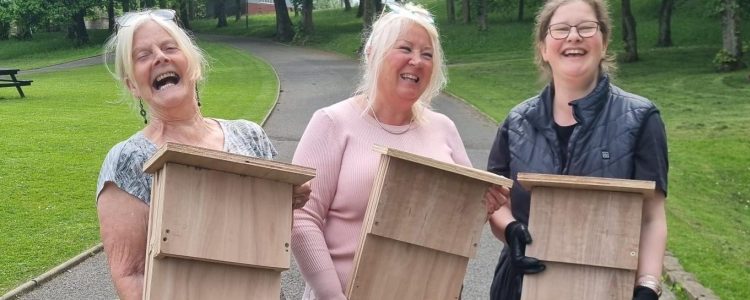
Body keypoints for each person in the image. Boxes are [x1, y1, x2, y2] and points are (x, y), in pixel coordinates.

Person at [290, 3, 508, 299]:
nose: (417, 61)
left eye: (427, 54)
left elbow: (458, 220)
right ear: (372, 53)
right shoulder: (332, 123)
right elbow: (303, 219)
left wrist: (483, 206)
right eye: (405, 48)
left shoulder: (444, 128)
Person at [95, 9, 310, 299]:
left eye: (170, 48)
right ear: (132, 85)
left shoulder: (249, 135)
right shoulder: (128, 160)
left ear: (193, 64)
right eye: (143, 55)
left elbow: (271, 242)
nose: (160, 57)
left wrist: (286, 200)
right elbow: (130, 274)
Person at [486, 0, 669, 299]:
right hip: (519, 287)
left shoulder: (641, 119)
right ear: (544, 48)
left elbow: (652, 217)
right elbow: (495, 201)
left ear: (604, 42)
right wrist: (510, 229)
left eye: (586, 27)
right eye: (560, 29)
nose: (574, 37)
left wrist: (647, 285)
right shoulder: (516, 121)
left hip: (605, 289)